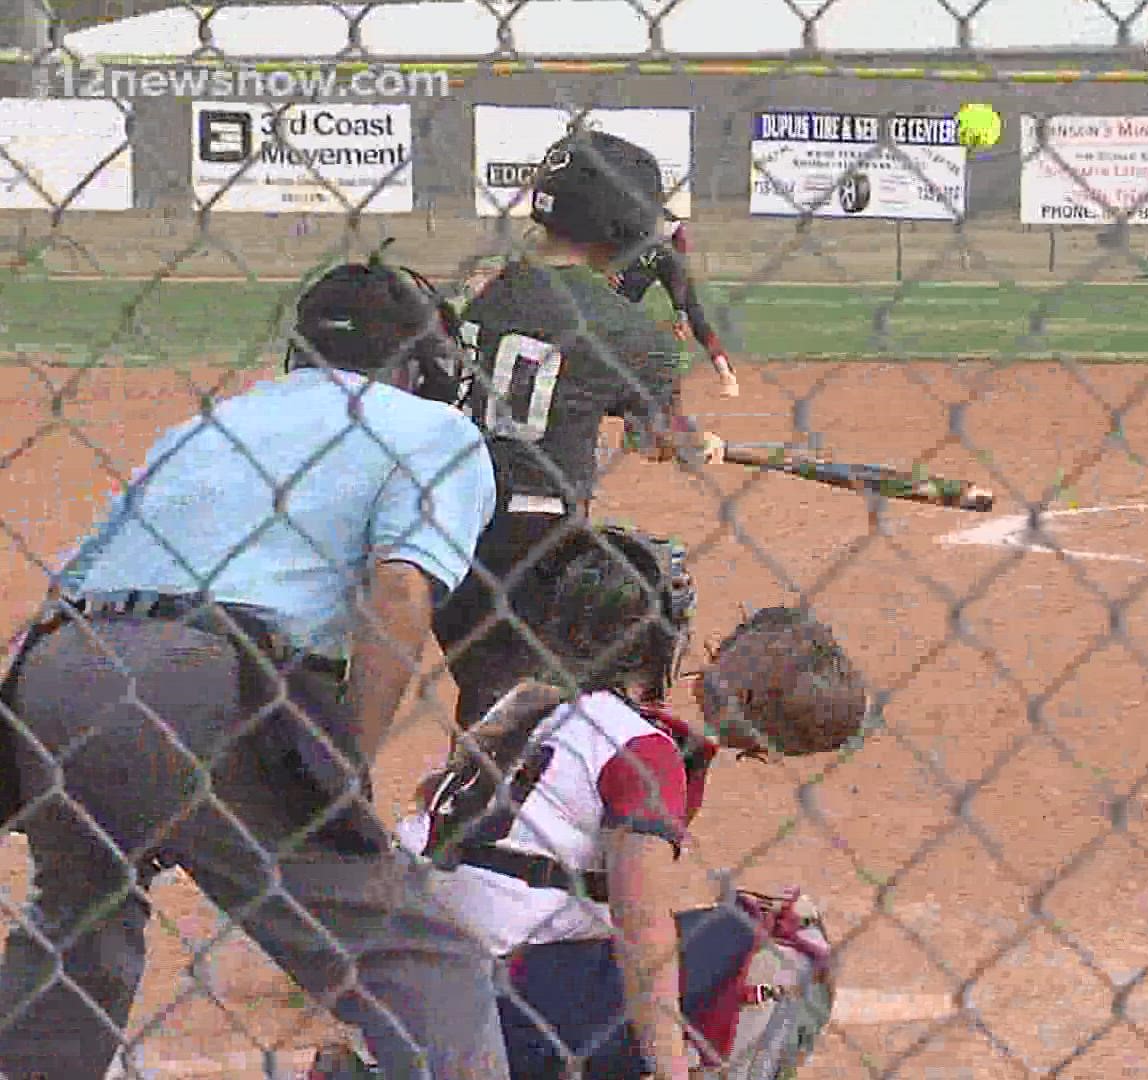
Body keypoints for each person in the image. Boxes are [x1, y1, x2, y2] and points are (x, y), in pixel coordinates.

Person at [0, 247, 510, 1078]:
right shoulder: (435, 428)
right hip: (203, 681)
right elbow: (401, 593)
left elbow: (68, 592)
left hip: (61, 671)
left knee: (77, 925)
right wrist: (344, 768)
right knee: (424, 961)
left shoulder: (205, 424)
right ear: (421, 362)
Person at [308, 527, 867, 1079]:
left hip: (397, 985)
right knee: (785, 936)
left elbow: (434, 807)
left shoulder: (526, 709)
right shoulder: (642, 749)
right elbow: (641, 925)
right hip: (492, 1003)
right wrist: (669, 1067)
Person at [432, 128, 725, 734]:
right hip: (532, 542)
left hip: (439, 527)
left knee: (486, 689)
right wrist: (694, 442)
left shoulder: (475, 290)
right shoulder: (629, 333)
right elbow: (656, 439)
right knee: (533, 710)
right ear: (621, 226)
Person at [612, 209, 740, 399]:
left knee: (695, 316)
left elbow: (678, 270)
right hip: (638, 262)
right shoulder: (621, 218)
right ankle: (612, 375)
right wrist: (612, 268)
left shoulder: (668, 226)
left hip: (668, 260)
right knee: (617, 314)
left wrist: (680, 312)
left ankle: (726, 374)